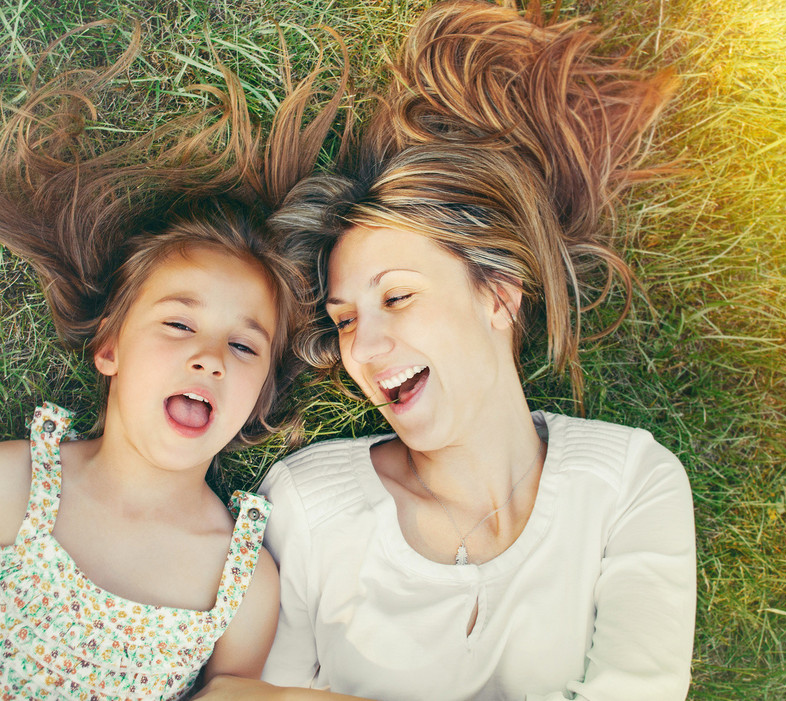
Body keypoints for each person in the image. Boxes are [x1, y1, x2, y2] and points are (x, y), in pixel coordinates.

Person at [199, 1, 696, 699]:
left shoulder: (628, 486)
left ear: (499, 293)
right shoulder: (309, 506)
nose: (365, 347)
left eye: (398, 297)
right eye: (342, 321)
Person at [0, 24, 345, 699]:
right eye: (179, 323)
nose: (209, 357)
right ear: (110, 348)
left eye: (244, 346)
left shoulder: (241, 582)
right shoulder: (16, 484)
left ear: (259, 398)